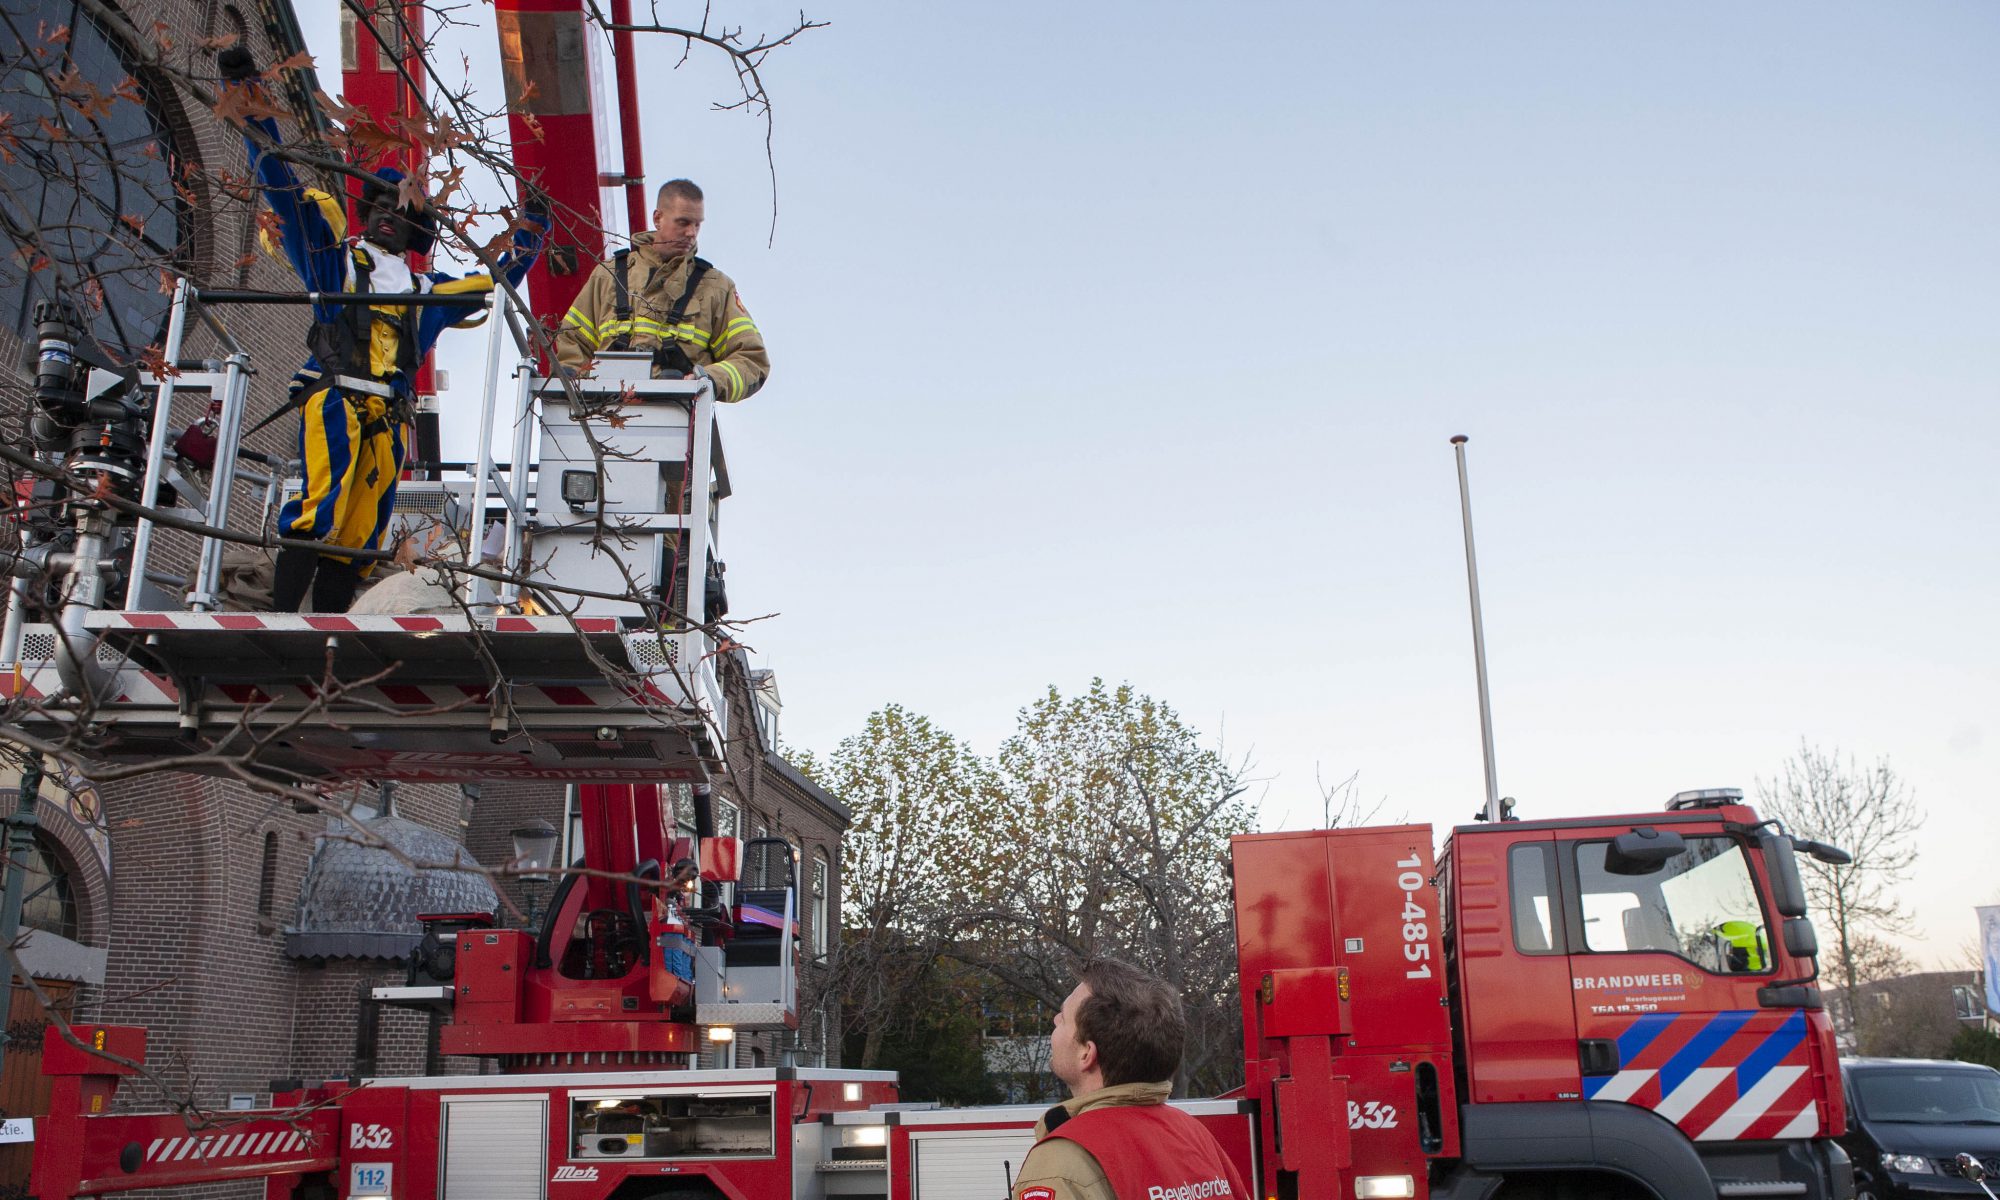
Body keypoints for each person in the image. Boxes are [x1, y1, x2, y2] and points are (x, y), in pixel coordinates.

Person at [219, 47, 547, 612]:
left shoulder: (427, 292)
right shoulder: (337, 261)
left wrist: (534, 222)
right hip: (337, 399)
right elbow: (282, 188)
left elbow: (496, 279)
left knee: (361, 532)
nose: (388, 215)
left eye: (402, 209)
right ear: (365, 210)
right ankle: (281, 622)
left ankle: (325, 634)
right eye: (378, 205)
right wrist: (247, 94)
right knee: (320, 506)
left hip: (389, 419)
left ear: (416, 228)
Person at [1011, 960, 1249, 1200]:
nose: (1054, 1020)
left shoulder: (1063, 1162)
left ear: (1087, 1054)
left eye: (1063, 1018)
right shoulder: (1194, 1135)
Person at [554, 180, 769, 403]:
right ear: (657, 218)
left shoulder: (716, 287)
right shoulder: (608, 275)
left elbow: (752, 360)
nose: (691, 233)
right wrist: (578, 388)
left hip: (676, 418)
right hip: (602, 416)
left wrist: (709, 380)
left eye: (697, 224)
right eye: (683, 222)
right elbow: (572, 342)